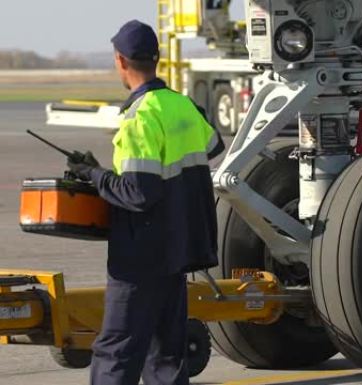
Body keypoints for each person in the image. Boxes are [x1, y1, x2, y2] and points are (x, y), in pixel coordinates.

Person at [67, 20, 225, 385]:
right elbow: (213, 146)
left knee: (117, 351)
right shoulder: (180, 105)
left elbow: (139, 193)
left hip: (141, 256)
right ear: (157, 60)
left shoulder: (138, 118)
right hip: (178, 250)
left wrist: (93, 175)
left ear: (121, 62)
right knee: (167, 356)